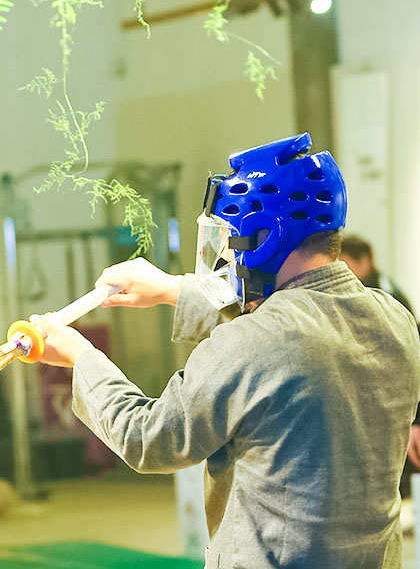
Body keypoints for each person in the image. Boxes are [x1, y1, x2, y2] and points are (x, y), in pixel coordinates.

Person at [31, 133, 420, 568]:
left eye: (233, 240)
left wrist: (81, 357)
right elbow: (294, 334)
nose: (229, 257)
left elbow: (147, 438)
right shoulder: (395, 319)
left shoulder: (255, 340)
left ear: (264, 240)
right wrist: (172, 289)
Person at [339, 234, 420, 492]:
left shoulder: (385, 296)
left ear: (365, 261)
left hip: (390, 403)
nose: (343, 271)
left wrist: (415, 420)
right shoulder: (367, 290)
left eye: (347, 263)